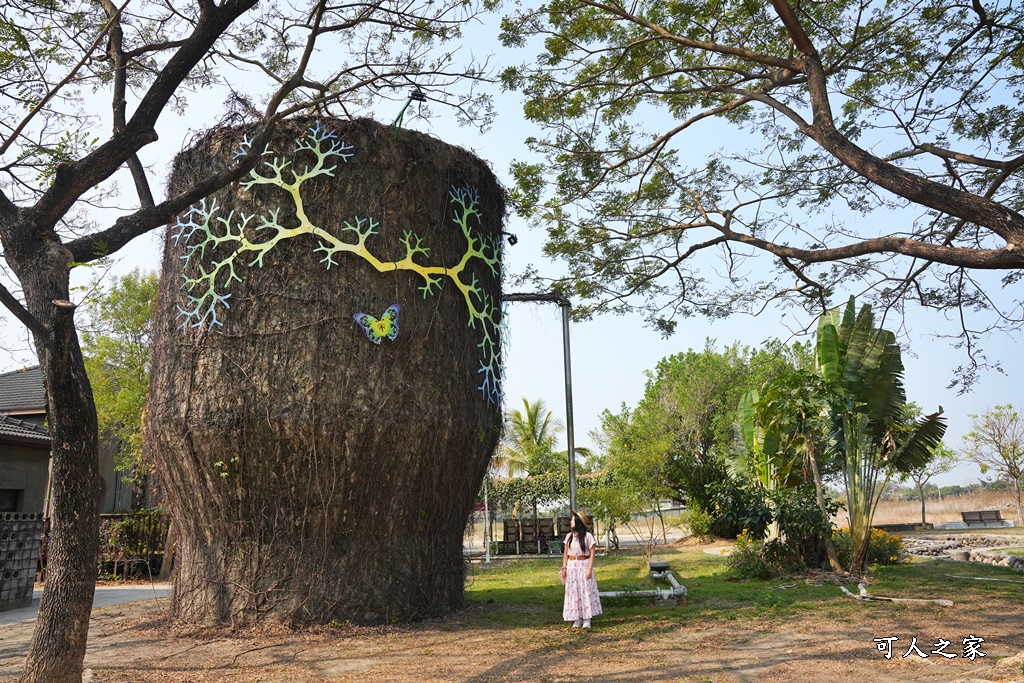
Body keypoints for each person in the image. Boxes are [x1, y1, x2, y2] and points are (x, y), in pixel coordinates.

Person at [559, 511, 602, 628]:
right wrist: (564, 567)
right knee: (574, 591)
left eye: (573, 520)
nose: (571, 522)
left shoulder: (588, 537)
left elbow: (592, 553)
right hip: (572, 565)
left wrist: (589, 569)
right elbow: (566, 553)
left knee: (585, 590)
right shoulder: (569, 537)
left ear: (578, 522)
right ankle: (577, 618)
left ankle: (587, 618)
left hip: (584, 564)